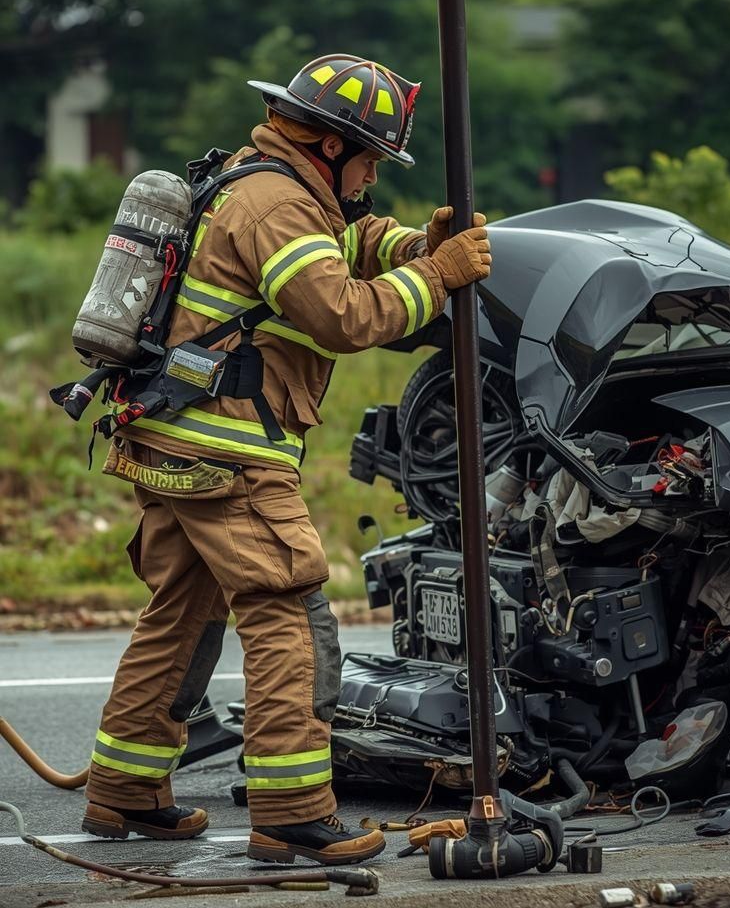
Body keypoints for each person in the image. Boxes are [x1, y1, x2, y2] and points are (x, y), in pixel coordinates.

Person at [81, 53, 491, 865]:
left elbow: (349, 240)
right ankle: (293, 811)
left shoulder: (263, 180)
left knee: (183, 615)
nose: (373, 174)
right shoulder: (279, 206)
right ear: (332, 145)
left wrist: (416, 243)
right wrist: (437, 277)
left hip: (172, 438)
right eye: (370, 156)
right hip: (230, 451)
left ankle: (123, 791)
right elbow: (339, 311)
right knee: (290, 615)